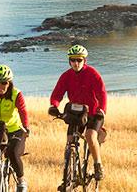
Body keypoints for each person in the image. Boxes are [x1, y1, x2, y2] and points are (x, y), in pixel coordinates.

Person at [48, 44, 107, 182]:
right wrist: (54, 105)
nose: (76, 63)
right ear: (69, 61)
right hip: (76, 113)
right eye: (73, 60)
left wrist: (102, 110)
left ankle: (98, 165)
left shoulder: (92, 74)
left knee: (90, 136)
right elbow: (57, 94)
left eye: (79, 60)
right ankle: (70, 173)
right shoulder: (66, 76)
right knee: (69, 142)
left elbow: (102, 93)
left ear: (84, 61)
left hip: (93, 113)